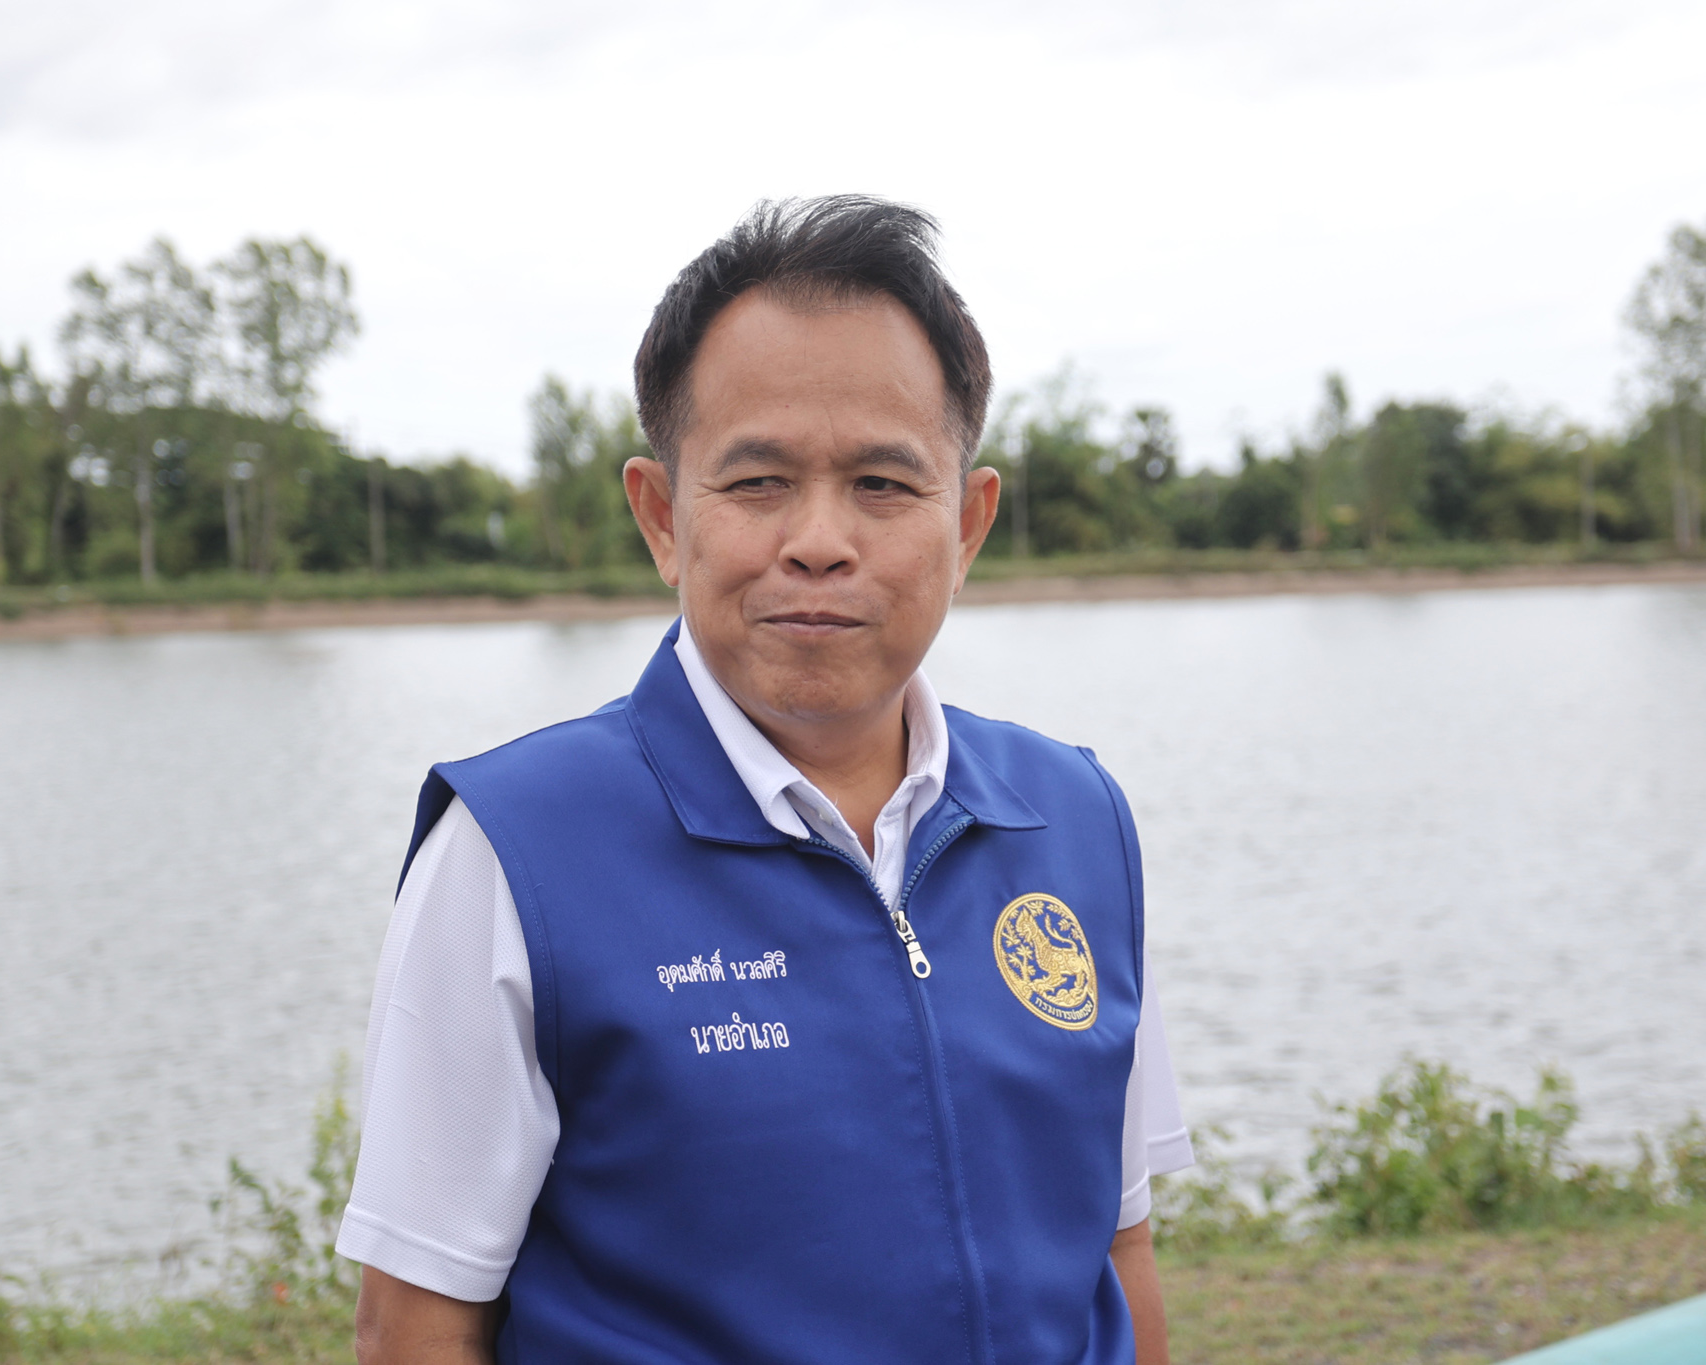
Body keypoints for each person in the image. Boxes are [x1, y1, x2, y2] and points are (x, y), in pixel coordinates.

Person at [339, 195, 1193, 1365]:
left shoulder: (1074, 819)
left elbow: (1115, 1244)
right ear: (661, 518)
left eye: (883, 484)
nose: (819, 541)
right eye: (756, 483)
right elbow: (416, 1323)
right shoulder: (514, 852)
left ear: (967, 525)